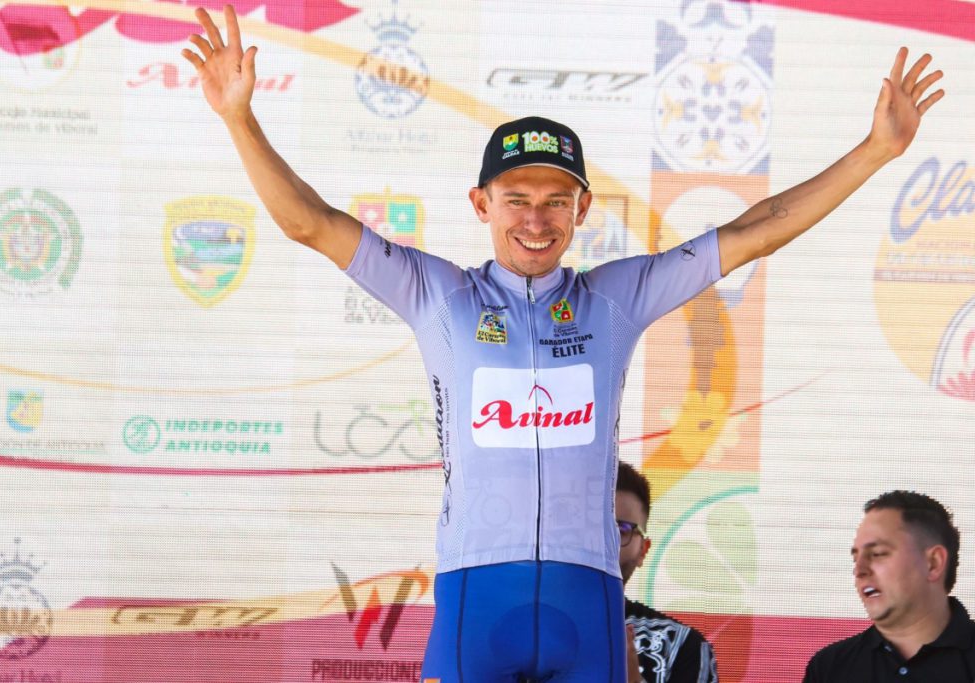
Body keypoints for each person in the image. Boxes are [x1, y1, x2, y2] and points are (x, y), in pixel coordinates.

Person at [181, 6, 945, 680]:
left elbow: (753, 232)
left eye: (556, 201)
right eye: (516, 198)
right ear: (481, 202)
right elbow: (308, 222)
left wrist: (876, 150)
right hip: (476, 596)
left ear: (582, 208)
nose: (536, 220)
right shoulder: (438, 295)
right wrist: (239, 118)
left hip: (588, 599)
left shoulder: (615, 298)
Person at [803, 491, 974, 682]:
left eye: (877, 553)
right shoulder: (829, 667)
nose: (859, 570)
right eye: (855, 558)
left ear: (933, 563)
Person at [616, 461, 718, 683]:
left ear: (643, 550)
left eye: (620, 529)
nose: (603, 541)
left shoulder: (684, 647)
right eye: (593, 527)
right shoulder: (535, 629)